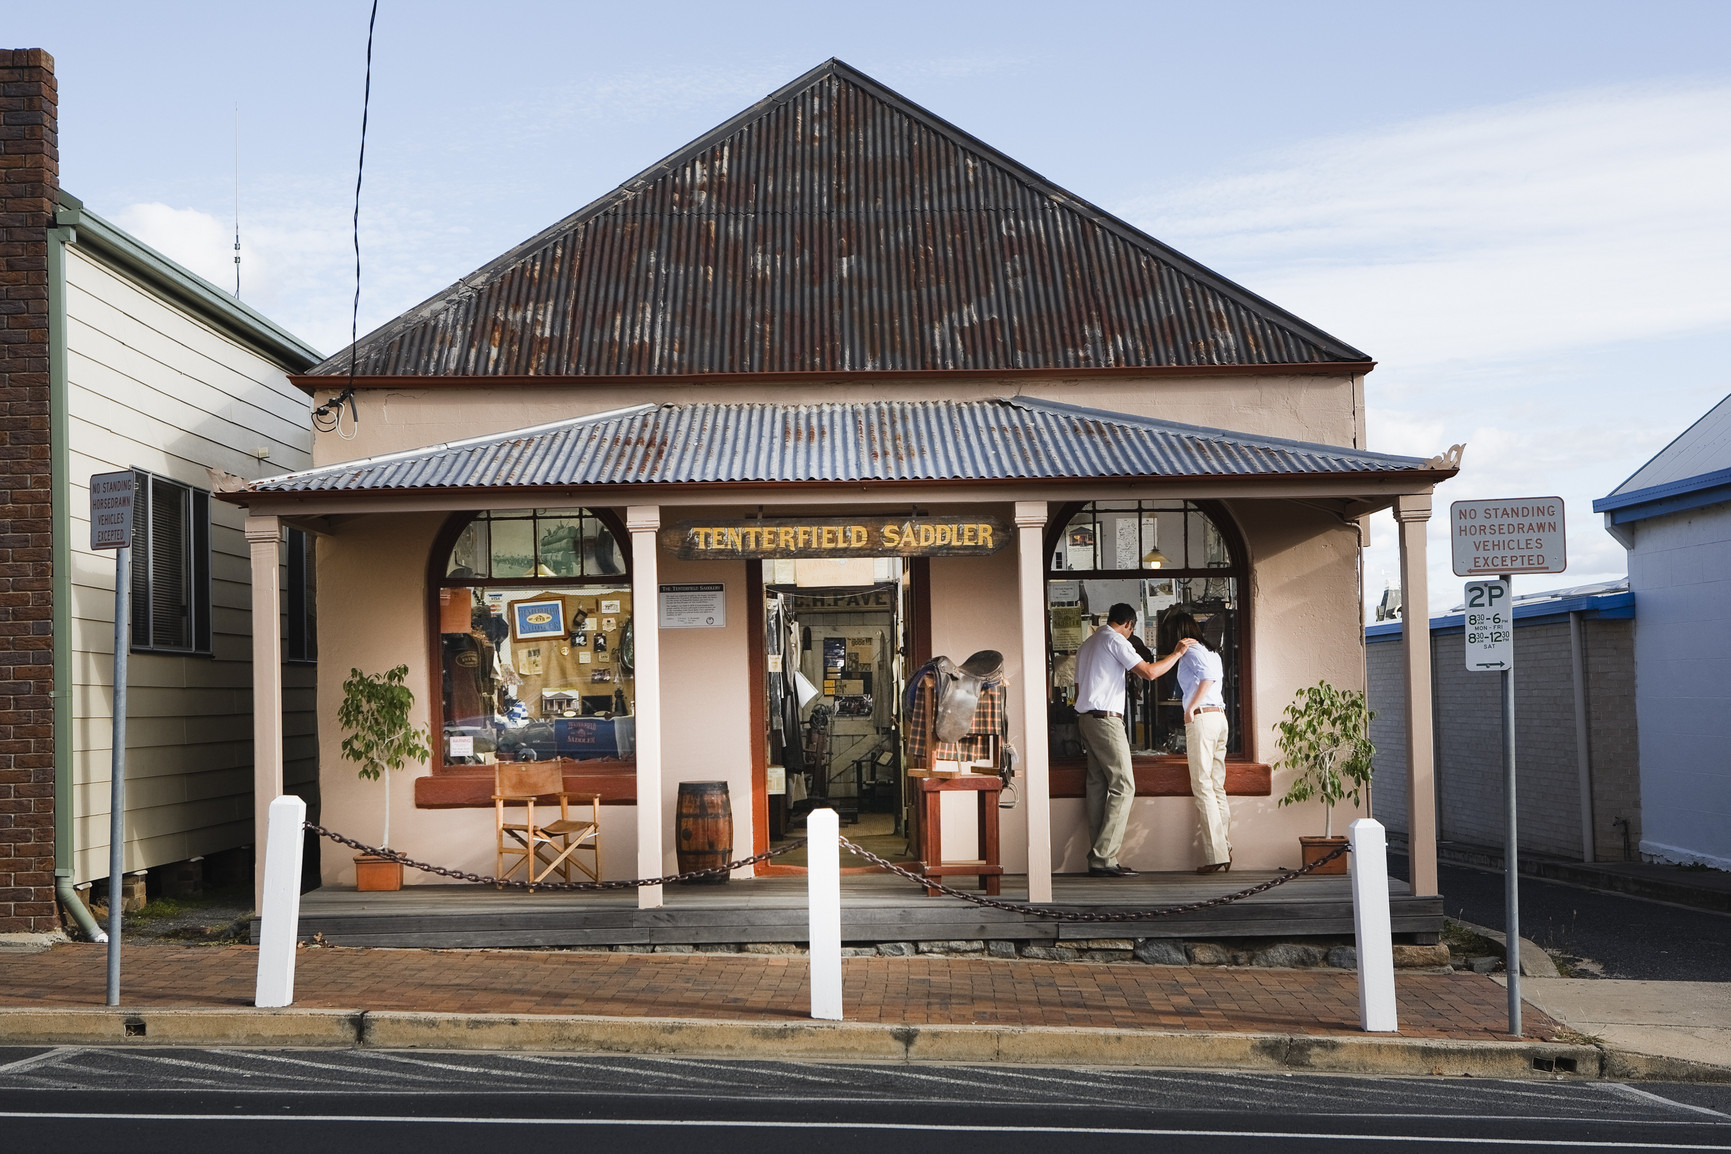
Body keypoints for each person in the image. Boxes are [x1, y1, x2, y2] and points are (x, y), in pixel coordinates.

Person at [1072, 602, 1193, 877]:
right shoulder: (1115, 640)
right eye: (1131, 629)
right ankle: (1104, 858)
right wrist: (1177, 653)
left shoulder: (1087, 644)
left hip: (1085, 719)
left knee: (1097, 785)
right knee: (1124, 785)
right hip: (1106, 720)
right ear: (1128, 624)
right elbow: (1150, 673)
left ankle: (1098, 856)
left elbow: (1079, 688)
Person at [1166, 610, 1231, 873]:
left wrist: (1190, 708)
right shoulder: (1212, 651)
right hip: (1220, 718)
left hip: (1203, 718)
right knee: (1216, 786)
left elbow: (1207, 679)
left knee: (1203, 786)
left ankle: (1216, 856)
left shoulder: (1190, 651)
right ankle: (1224, 848)